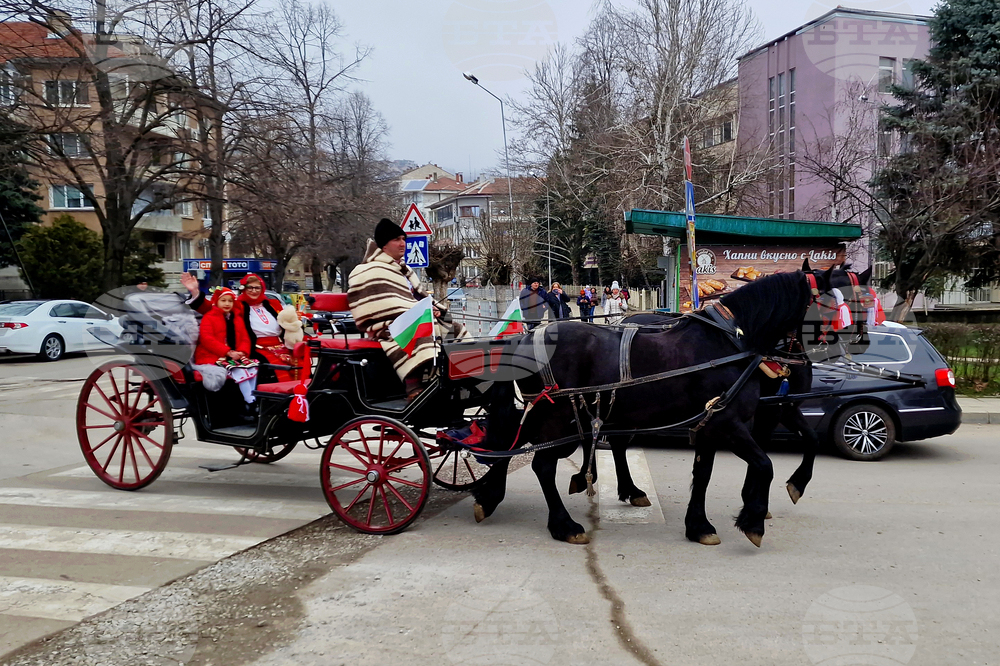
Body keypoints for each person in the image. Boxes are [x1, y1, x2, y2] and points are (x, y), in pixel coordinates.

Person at [348, 218, 468, 401]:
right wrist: (420, 313)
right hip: (386, 326)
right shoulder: (367, 270)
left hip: (409, 318)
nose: (403, 243)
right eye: (397, 239)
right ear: (384, 245)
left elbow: (418, 298)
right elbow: (380, 305)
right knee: (420, 330)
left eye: (403, 238)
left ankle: (459, 376)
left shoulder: (405, 270)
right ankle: (413, 385)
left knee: (454, 329)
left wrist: (433, 309)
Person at [192, 288, 259, 415]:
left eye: (230, 301)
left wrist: (242, 352)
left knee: (252, 367)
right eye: (223, 300)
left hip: (233, 355)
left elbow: (245, 338)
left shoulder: (236, 318)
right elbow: (207, 339)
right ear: (216, 302)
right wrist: (228, 352)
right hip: (212, 356)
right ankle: (250, 402)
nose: (227, 304)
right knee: (237, 369)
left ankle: (251, 397)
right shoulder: (209, 317)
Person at [238, 273, 308, 383]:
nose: (254, 291)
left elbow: (285, 322)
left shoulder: (272, 304)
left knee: (300, 364)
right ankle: (282, 396)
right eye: (250, 287)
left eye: (257, 288)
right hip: (256, 347)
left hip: (280, 344)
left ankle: (303, 394)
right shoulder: (238, 306)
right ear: (243, 289)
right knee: (278, 369)